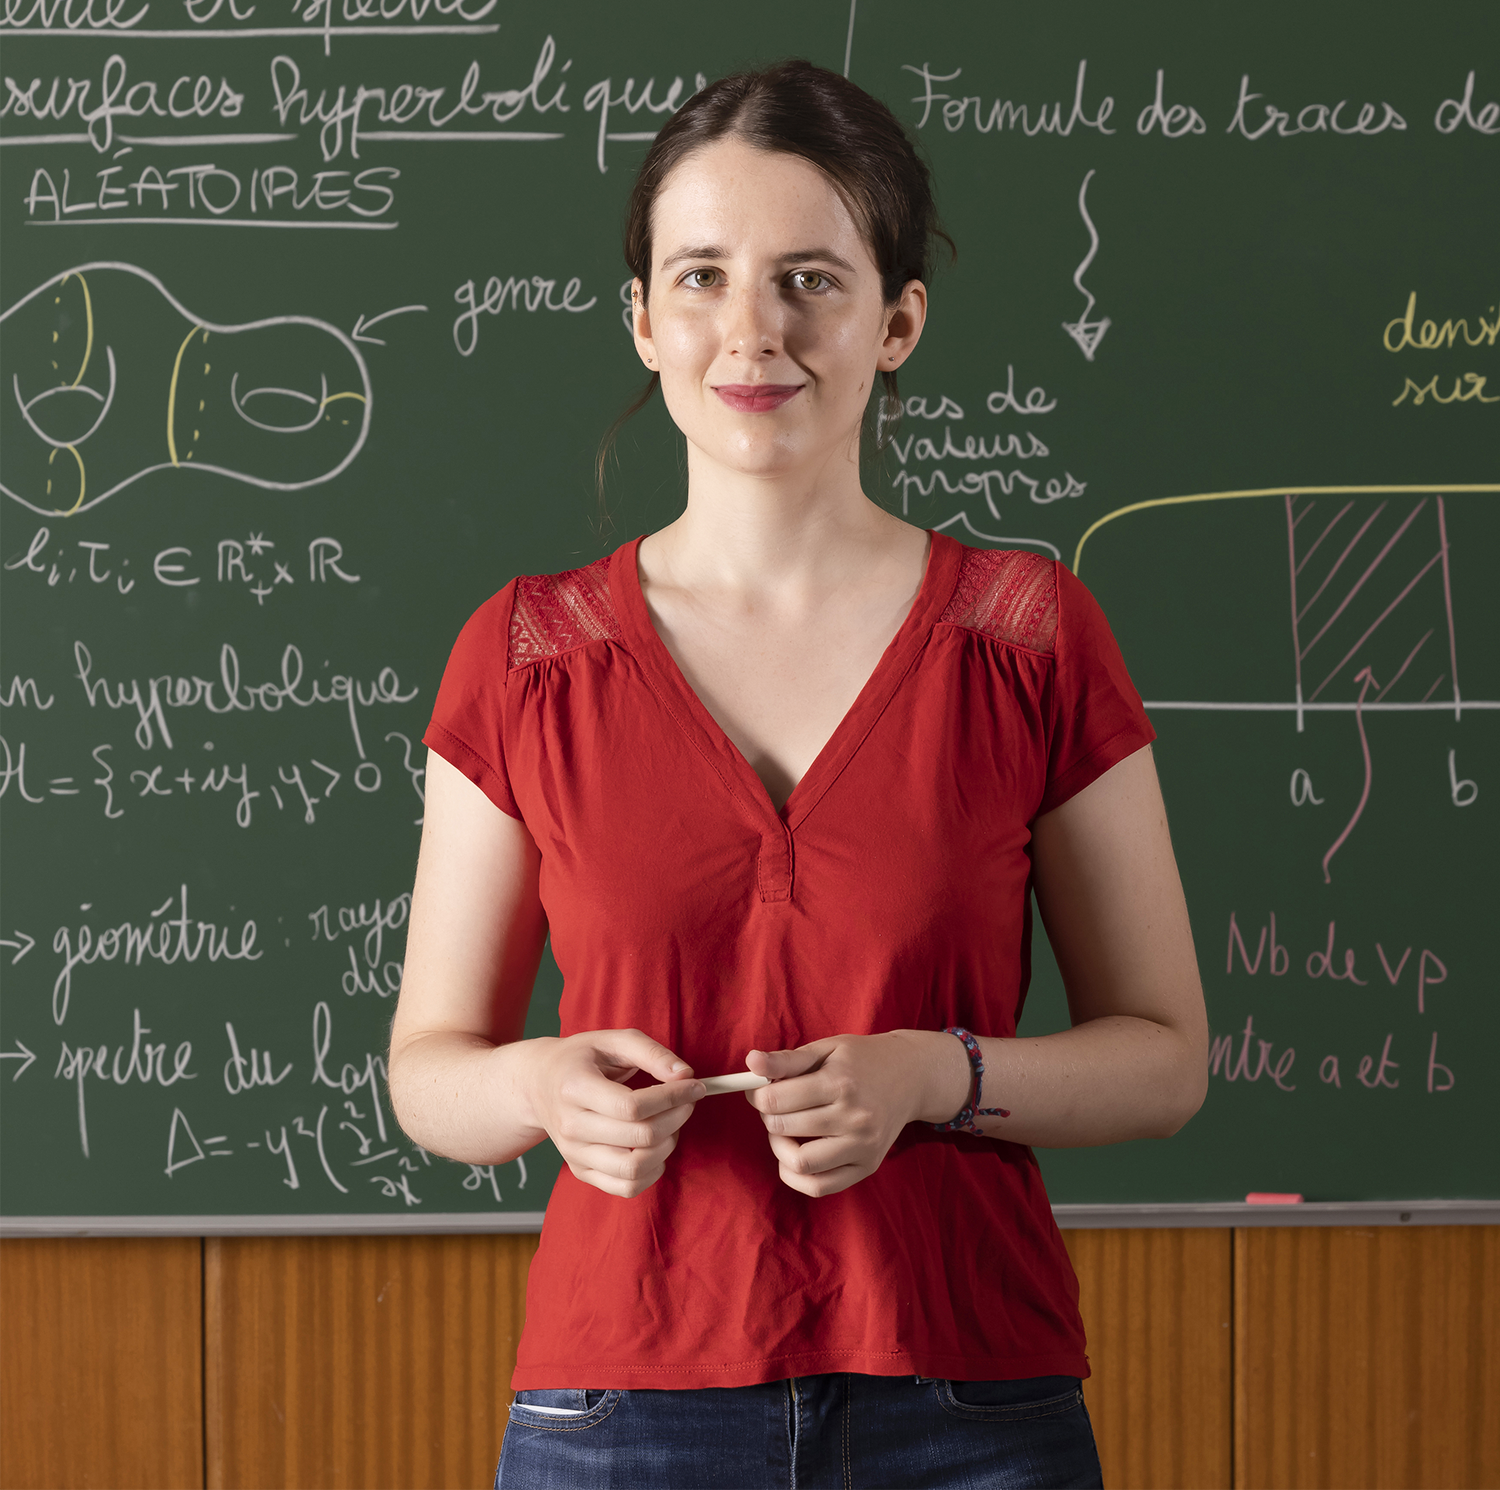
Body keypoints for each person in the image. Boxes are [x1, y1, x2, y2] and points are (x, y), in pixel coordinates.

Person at [388, 58, 1207, 1490]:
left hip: (969, 1405)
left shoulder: (1026, 633)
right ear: (642, 318)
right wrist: (537, 1083)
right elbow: (428, 1073)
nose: (753, 328)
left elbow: (1163, 1055)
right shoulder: (525, 654)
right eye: (701, 275)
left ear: (897, 322)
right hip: (619, 1407)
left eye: (811, 279)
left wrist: (931, 1074)